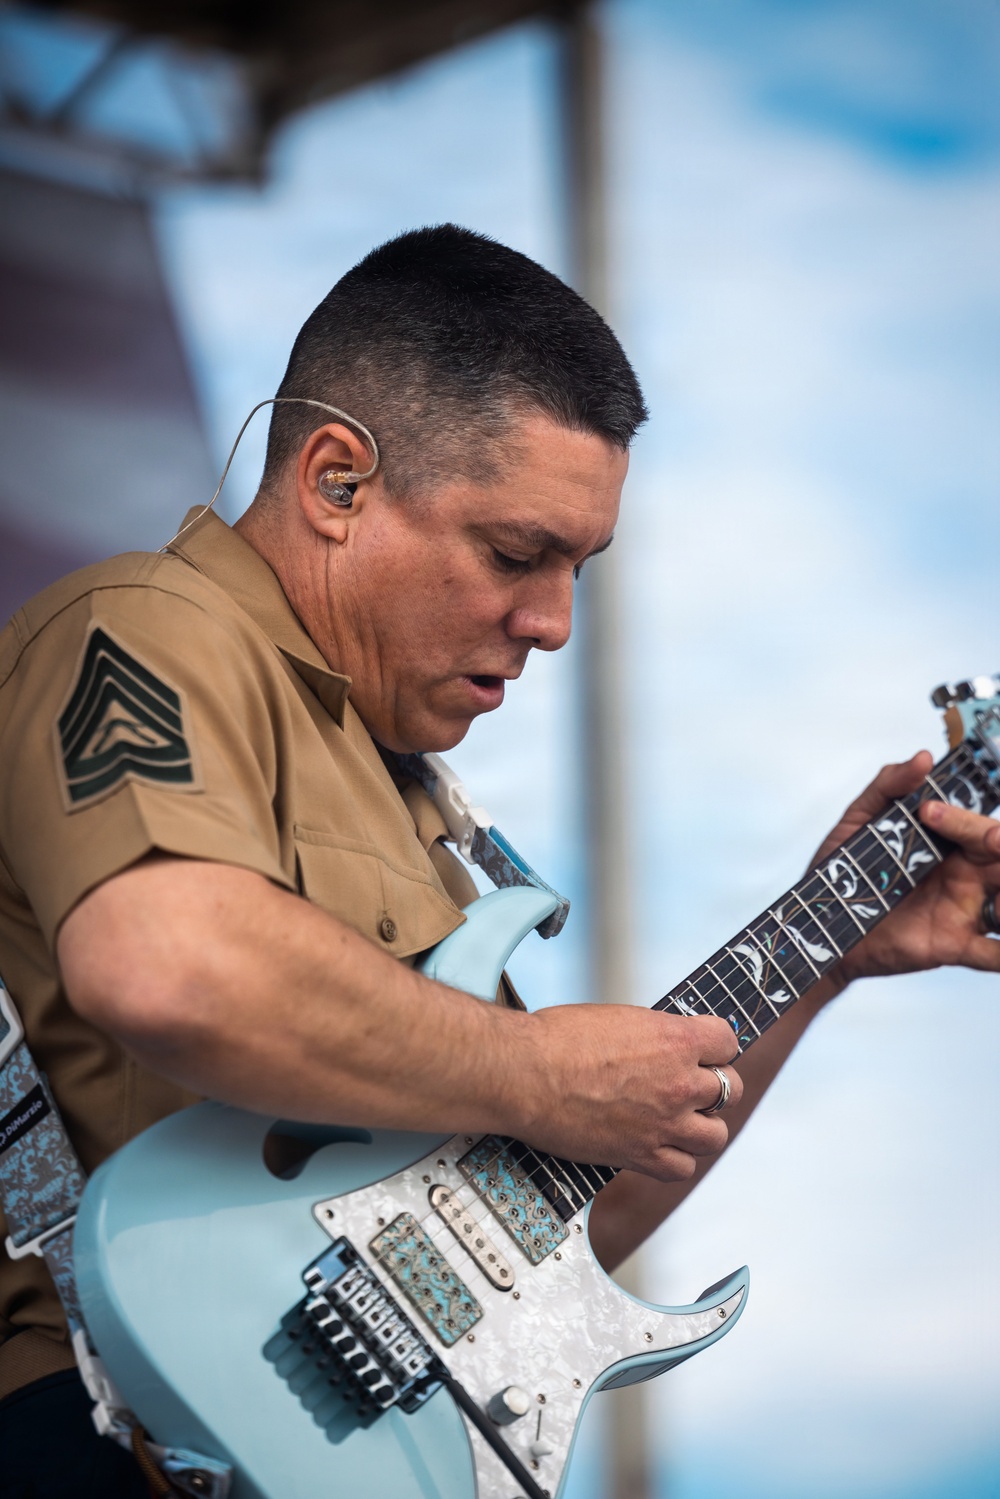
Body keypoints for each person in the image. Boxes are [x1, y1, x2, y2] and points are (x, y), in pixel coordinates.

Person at [1, 226, 998, 1496]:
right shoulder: (145, 627)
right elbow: (167, 964)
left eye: (578, 568)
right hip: (81, 1434)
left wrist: (828, 954)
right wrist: (532, 1067)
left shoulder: (414, 793)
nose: (552, 623)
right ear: (336, 481)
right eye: (515, 553)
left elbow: (535, 1242)